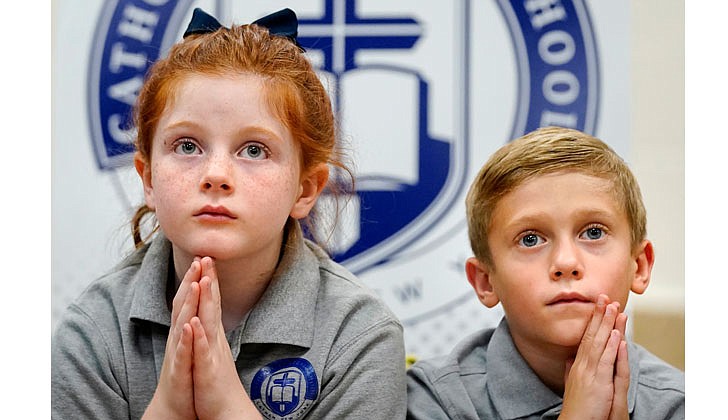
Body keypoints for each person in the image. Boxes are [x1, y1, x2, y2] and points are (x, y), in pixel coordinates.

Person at [52, 8, 406, 420]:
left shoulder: (361, 337)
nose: (216, 175)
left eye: (254, 150)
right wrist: (167, 409)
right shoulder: (93, 332)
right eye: (187, 146)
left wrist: (226, 406)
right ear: (147, 178)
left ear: (305, 189)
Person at [406, 126, 685, 419]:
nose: (565, 262)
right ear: (486, 281)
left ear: (639, 266)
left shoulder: (682, 405)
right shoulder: (435, 401)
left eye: (593, 232)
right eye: (530, 239)